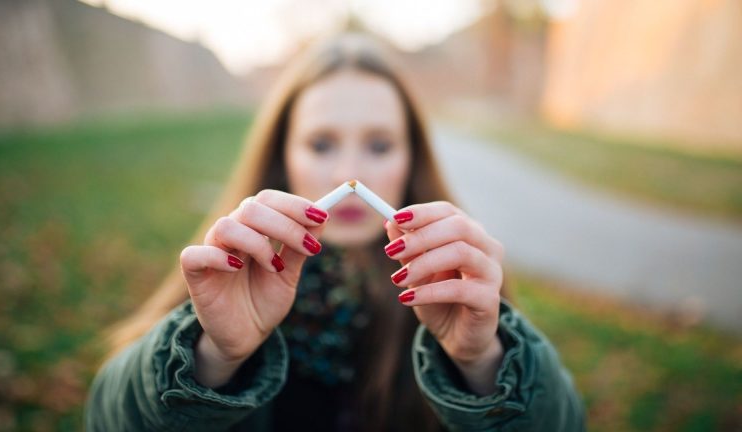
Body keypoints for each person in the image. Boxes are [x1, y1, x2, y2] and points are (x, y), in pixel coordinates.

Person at [85, 32, 585, 431]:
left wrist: (482, 362)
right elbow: (105, 418)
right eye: (321, 144)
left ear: (411, 158)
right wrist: (213, 356)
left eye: (380, 144)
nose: (349, 175)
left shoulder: (452, 287)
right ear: (283, 156)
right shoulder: (230, 277)